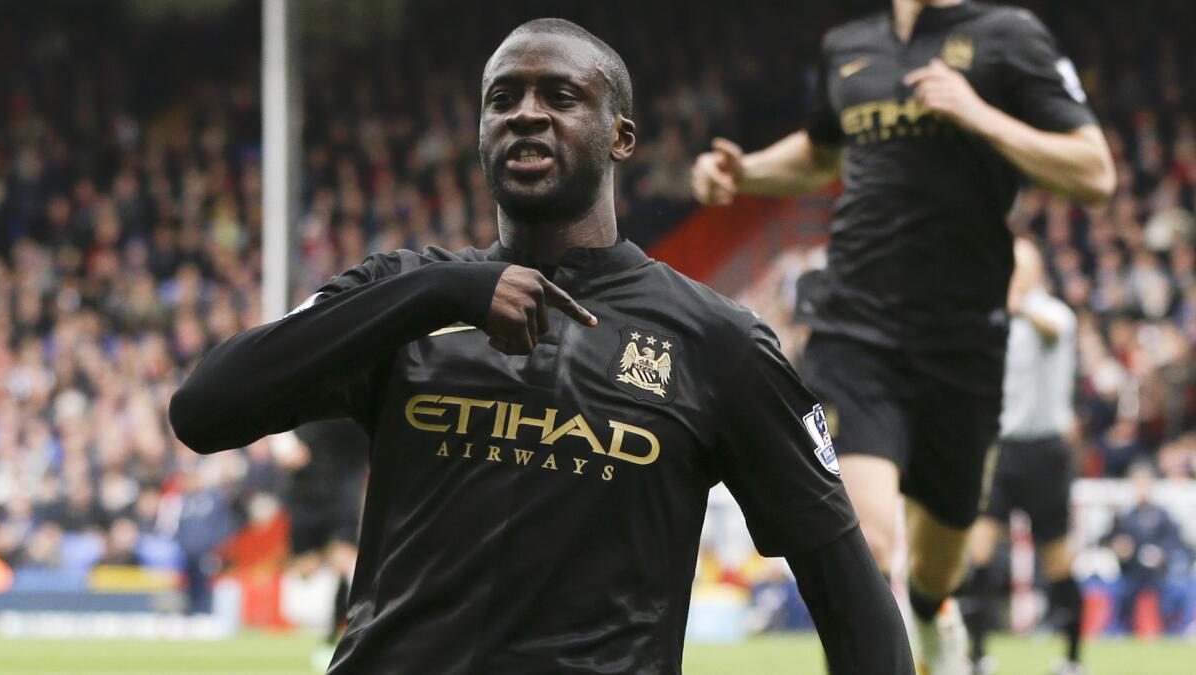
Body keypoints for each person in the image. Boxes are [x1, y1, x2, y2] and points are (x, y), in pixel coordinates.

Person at [169, 18, 912, 674]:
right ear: (482, 132)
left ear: (621, 136)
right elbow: (205, 408)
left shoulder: (719, 342)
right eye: (504, 98)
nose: (527, 114)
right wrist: (443, 292)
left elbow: (846, 589)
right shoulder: (403, 293)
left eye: (561, 96)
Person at [690, 1, 1115, 673]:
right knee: (863, 543)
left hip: (963, 344)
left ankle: (930, 611)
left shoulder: (1009, 37)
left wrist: (977, 112)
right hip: (855, 330)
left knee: (937, 564)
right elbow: (820, 151)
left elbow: (1094, 171)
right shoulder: (849, 45)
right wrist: (744, 172)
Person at [964, 238, 1084, 675]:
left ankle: (1071, 659)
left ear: (1035, 272)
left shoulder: (1053, 314)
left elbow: (1053, 330)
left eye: (1021, 265)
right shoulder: (993, 320)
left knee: (1057, 561)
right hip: (1001, 451)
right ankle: (977, 656)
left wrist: (1018, 305)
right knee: (977, 555)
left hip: (1046, 454)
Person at [272, 420, 368, 655]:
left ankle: (338, 634)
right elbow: (277, 423)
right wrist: (285, 445)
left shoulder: (363, 397)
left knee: (344, 561)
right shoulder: (304, 394)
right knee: (305, 569)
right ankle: (330, 626)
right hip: (305, 492)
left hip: (343, 487)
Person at [1101, 461, 1189, 635]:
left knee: (1169, 594)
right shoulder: (1125, 516)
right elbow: (1106, 539)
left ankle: (1169, 630)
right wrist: (1119, 547)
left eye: (1145, 483)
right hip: (1131, 573)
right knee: (1122, 594)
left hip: (1159, 574)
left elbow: (1177, 542)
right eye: (1137, 483)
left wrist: (1161, 554)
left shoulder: (1163, 515)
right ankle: (1120, 631)